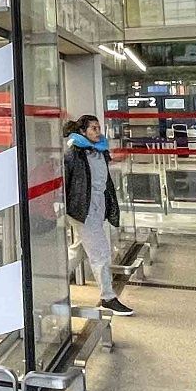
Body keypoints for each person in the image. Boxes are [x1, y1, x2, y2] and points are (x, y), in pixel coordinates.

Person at [63, 114, 132, 316]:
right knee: (100, 252)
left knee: (80, 250)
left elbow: (103, 179)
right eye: (93, 128)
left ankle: (51, 281)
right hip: (82, 208)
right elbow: (67, 182)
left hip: (97, 205)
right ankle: (107, 297)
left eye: (98, 127)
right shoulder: (73, 153)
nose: (97, 131)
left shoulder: (100, 151)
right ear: (82, 131)